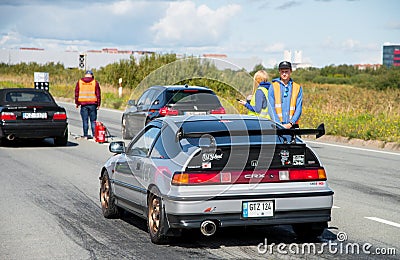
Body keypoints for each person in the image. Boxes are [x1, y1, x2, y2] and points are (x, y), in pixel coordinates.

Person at [268, 61, 303, 129]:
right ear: (279, 71)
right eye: (282, 71)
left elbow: (299, 107)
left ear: (290, 71)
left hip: (293, 126)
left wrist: (291, 123)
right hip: (277, 125)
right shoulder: (273, 87)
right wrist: (279, 124)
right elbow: (271, 108)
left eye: (286, 71)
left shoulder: (297, 87)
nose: (284, 74)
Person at [75, 70, 101, 138]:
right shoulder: (95, 82)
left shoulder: (80, 82)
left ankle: (85, 135)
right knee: (93, 121)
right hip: (93, 104)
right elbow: (98, 94)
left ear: (85, 75)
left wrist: (77, 103)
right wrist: (98, 104)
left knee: (85, 120)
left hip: (83, 104)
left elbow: (76, 93)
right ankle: (94, 135)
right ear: (92, 75)